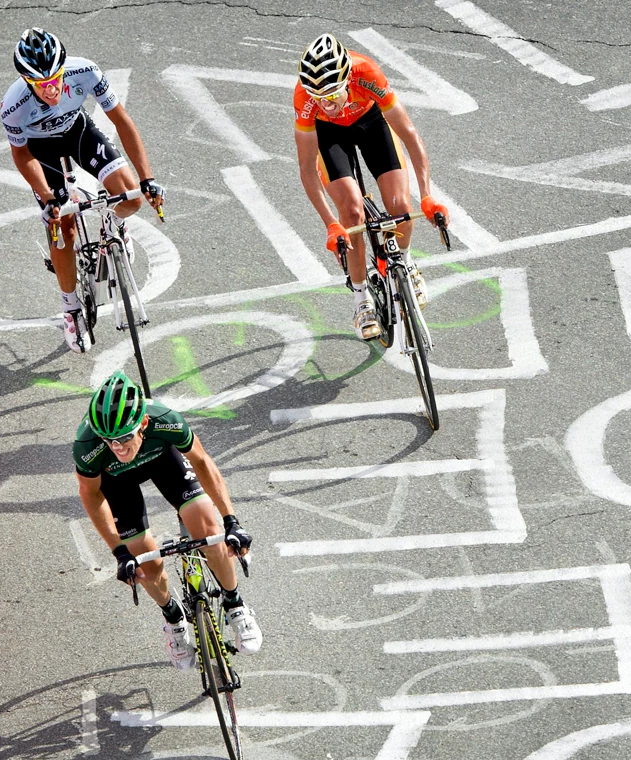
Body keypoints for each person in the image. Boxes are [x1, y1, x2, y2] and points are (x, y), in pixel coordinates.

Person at [74, 370, 261, 670]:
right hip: (116, 482)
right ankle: (173, 618)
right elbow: (91, 496)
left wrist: (231, 520)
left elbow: (201, 461)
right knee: (144, 562)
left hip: (163, 459)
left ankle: (234, 603)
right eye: (110, 441)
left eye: (124, 437)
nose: (118, 447)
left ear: (143, 424)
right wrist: (119, 552)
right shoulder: (88, 446)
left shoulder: (164, 419)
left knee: (208, 528)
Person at [1, 28, 165, 353]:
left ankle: (115, 226)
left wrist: (146, 178)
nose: (52, 90)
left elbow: (122, 121)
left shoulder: (85, 71)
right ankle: (71, 308)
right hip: (40, 151)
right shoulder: (13, 105)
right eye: (42, 85)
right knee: (63, 229)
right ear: (28, 82)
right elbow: (21, 155)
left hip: (78, 131)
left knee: (130, 198)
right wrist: (47, 198)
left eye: (56, 80)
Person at [292, 33, 449, 341]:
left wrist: (428, 195)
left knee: (400, 205)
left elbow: (410, 136)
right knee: (350, 213)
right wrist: (331, 225)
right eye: (320, 99)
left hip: (370, 121)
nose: (328, 104)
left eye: (333, 95)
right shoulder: (306, 100)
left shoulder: (366, 73)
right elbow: (307, 170)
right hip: (328, 136)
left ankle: (404, 262)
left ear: (347, 79)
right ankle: (361, 297)